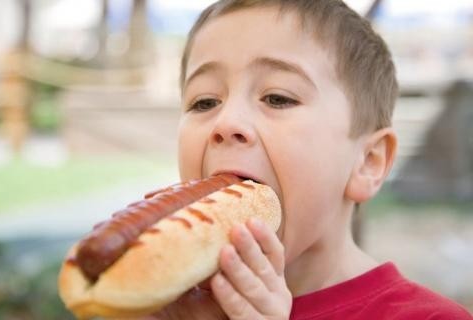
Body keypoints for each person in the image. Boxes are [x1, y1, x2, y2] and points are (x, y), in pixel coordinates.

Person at [137, 0, 473, 319]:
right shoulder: (165, 304)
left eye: (277, 98)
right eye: (205, 102)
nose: (226, 123)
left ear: (367, 163)